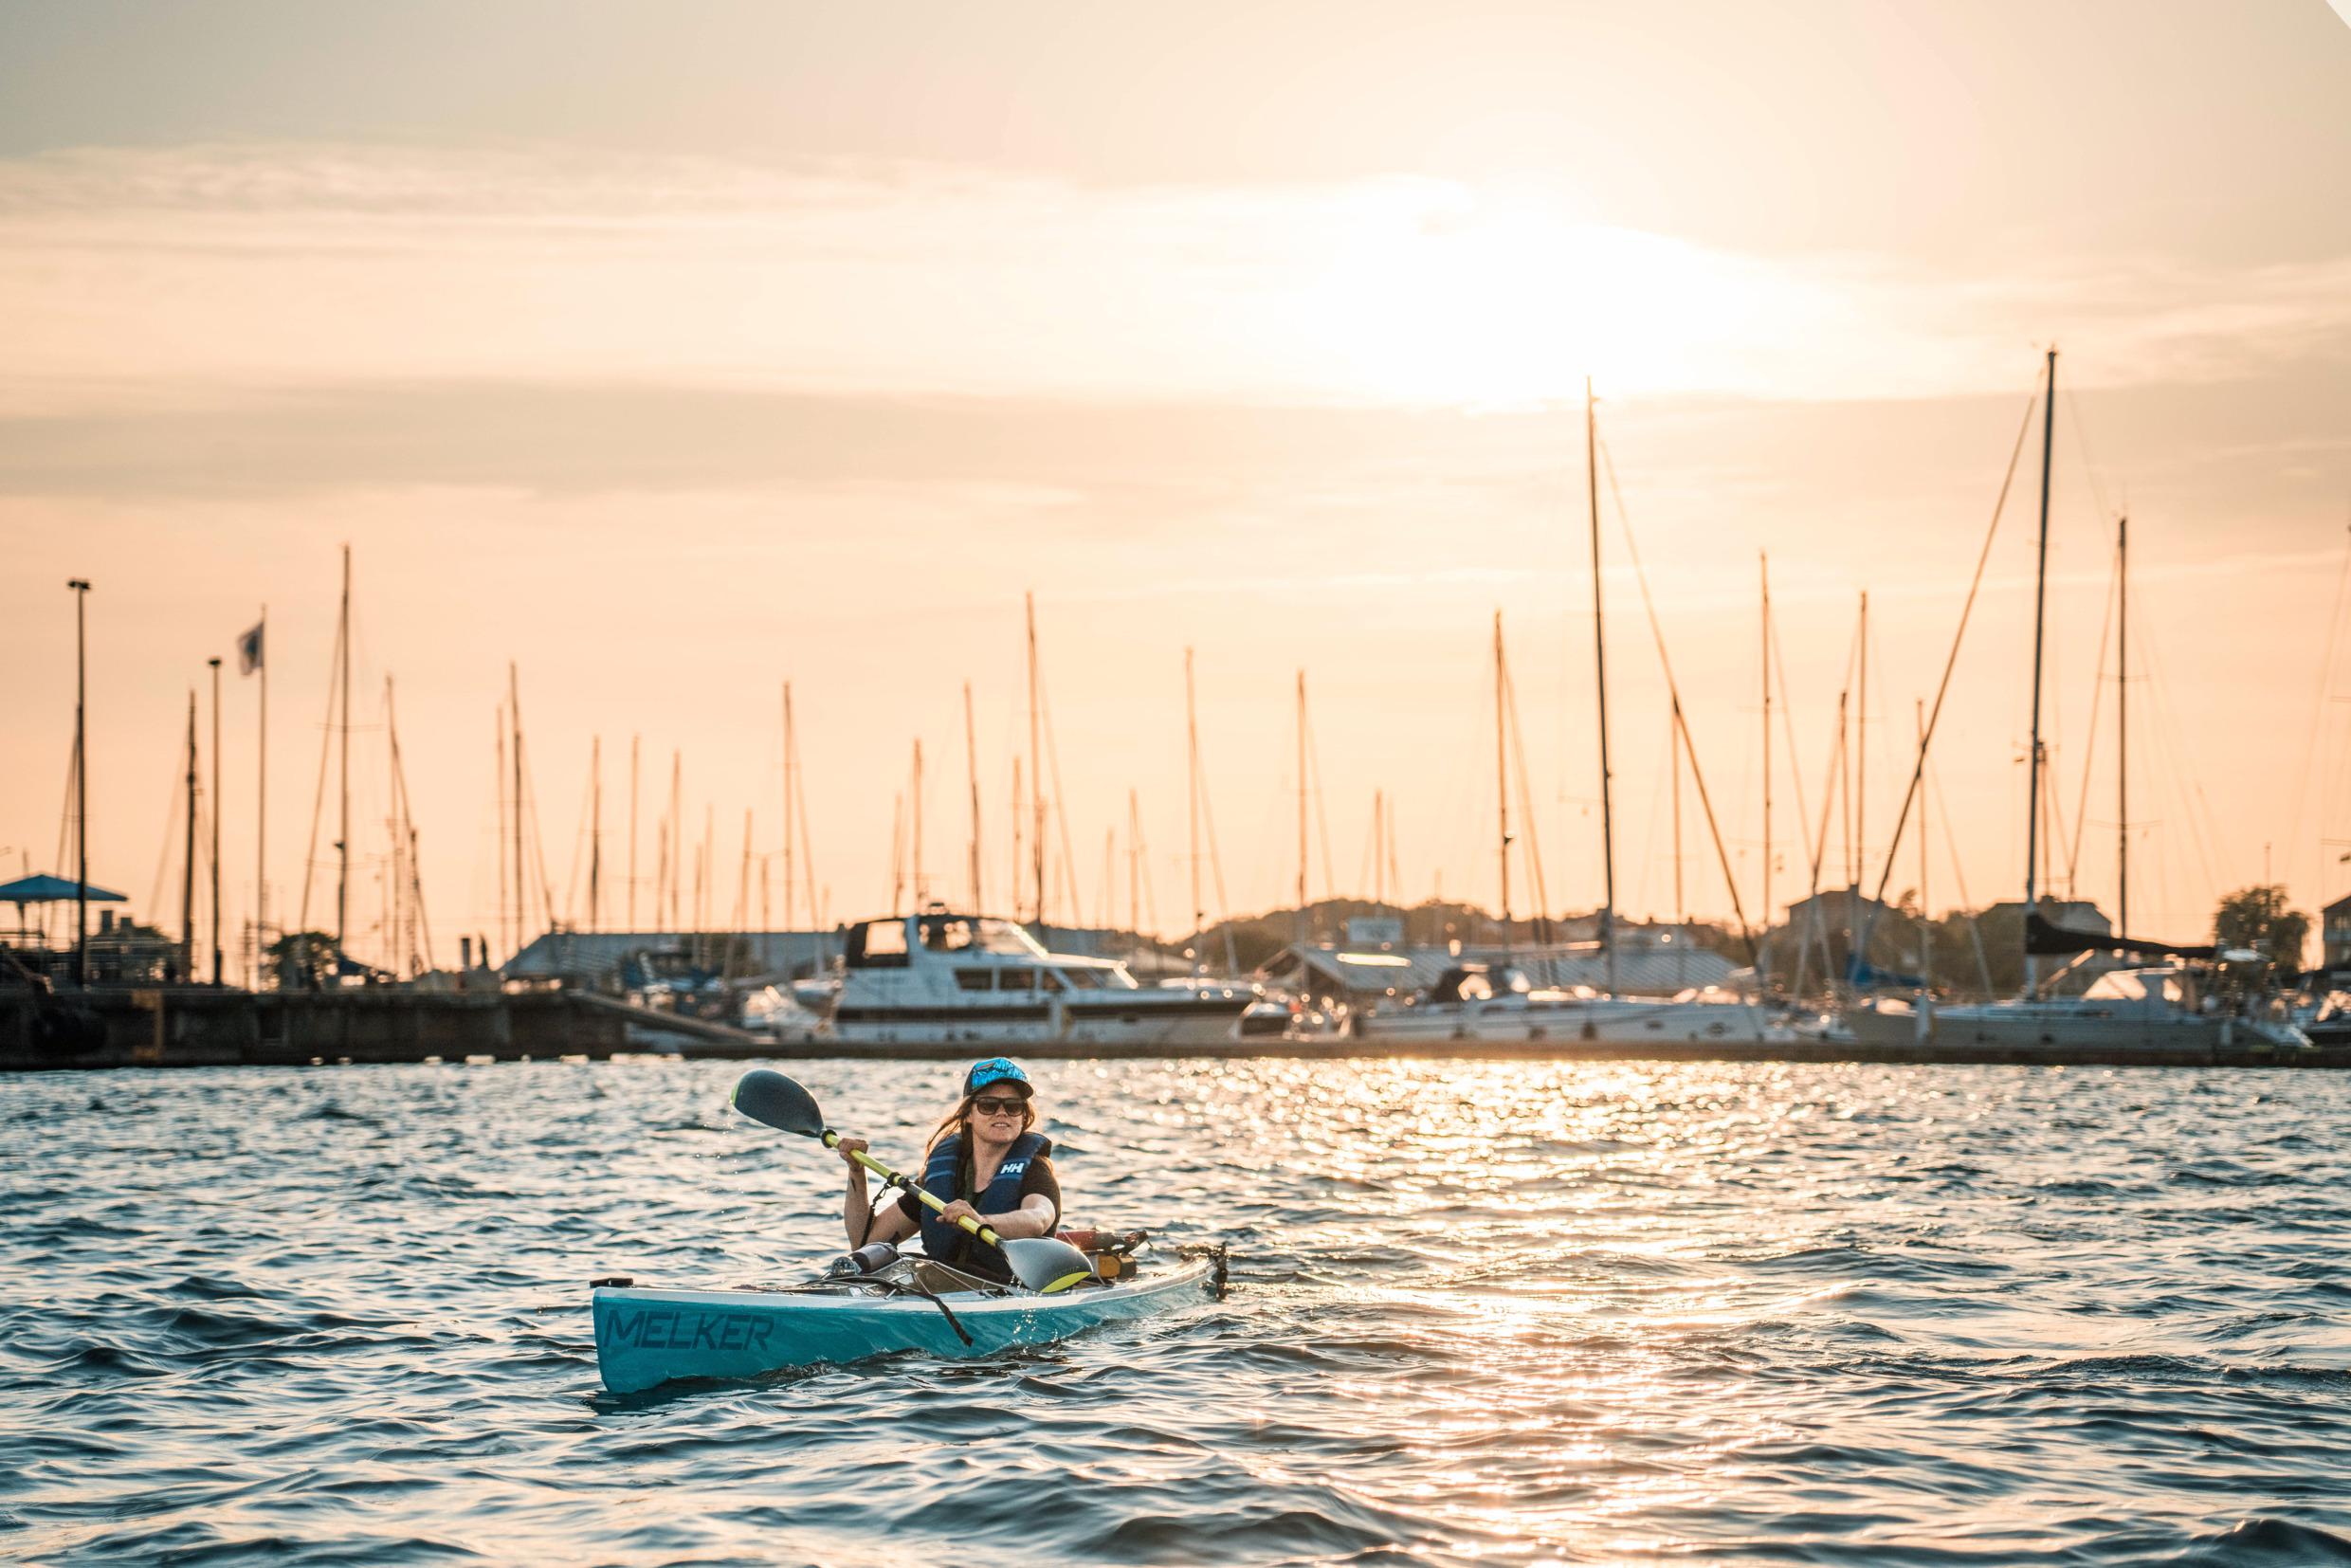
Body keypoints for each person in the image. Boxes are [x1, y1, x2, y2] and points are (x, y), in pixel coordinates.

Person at [837, 1058, 1062, 1283]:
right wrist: (856, 1171)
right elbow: (865, 1242)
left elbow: (1038, 1219)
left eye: (1013, 1106)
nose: (1001, 1113)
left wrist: (980, 1220)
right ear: (968, 1115)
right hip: (940, 1290)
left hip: (1007, 1290)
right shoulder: (942, 1176)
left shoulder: (1036, 1172)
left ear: (1023, 1116)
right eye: (988, 1105)